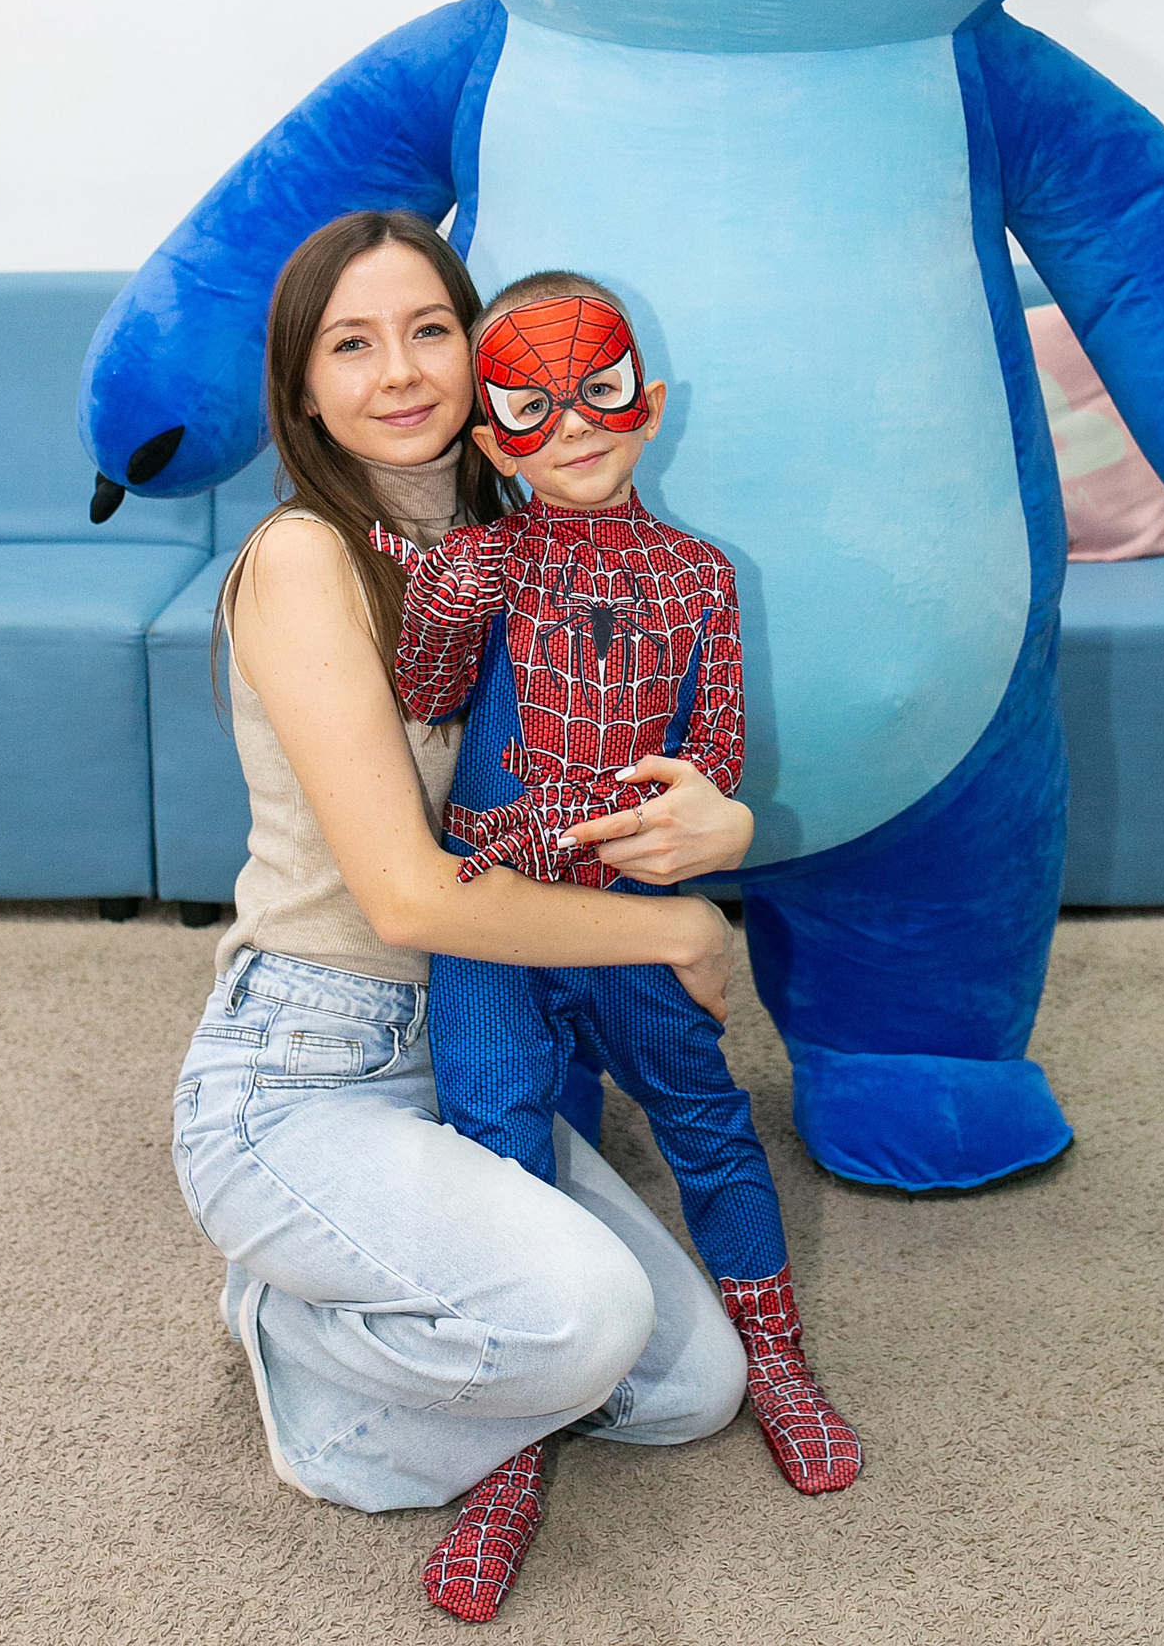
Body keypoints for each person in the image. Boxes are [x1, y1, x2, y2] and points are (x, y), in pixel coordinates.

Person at [169, 210, 756, 1628]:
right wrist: (683, 931)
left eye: (429, 329)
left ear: (479, 353)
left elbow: (637, 776)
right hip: (305, 1062)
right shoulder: (305, 558)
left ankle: (410, 1302)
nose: (399, 371)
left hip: (470, 1044)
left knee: (692, 1389)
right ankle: (293, 1327)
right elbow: (408, 894)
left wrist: (724, 830)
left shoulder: (525, 538)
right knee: (581, 1325)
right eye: (350, 344)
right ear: (303, 390)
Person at [383, 274, 861, 1587]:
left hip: (633, 920)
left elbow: (711, 756)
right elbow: (426, 697)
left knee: (706, 1118)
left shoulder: (699, 576)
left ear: (645, 403)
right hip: (493, 925)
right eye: (531, 409)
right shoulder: (488, 563)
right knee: (496, 1143)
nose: (575, 427)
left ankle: (776, 1357)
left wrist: (709, 821)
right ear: (493, 440)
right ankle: (510, 1437)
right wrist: (447, 600)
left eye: (598, 392)